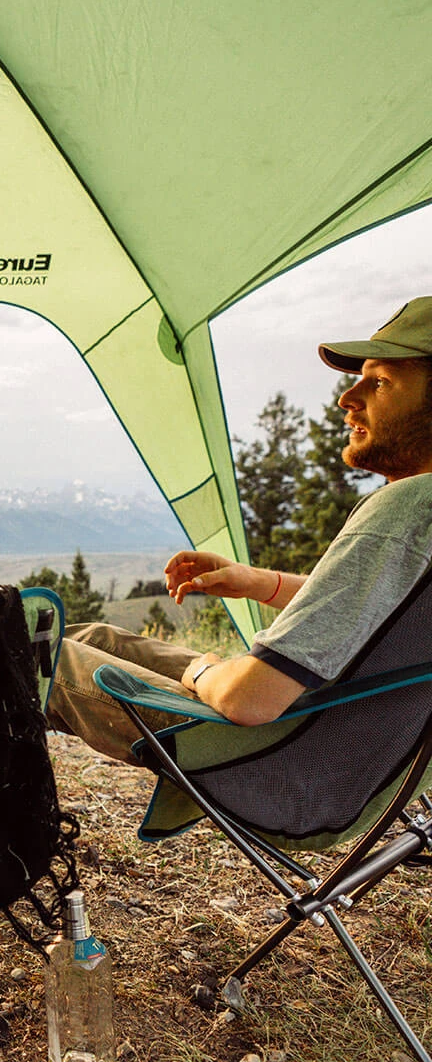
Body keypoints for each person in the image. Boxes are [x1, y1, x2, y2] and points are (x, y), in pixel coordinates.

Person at [45, 296, 432, 762]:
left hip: (277, 758)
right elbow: (387, 610)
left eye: (381, 381)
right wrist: (257, 582)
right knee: (93, 639)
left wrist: (203, 672)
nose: (346, 398)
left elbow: (249, 700)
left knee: (25, 654)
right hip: (362, 748)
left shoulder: (407, 508)